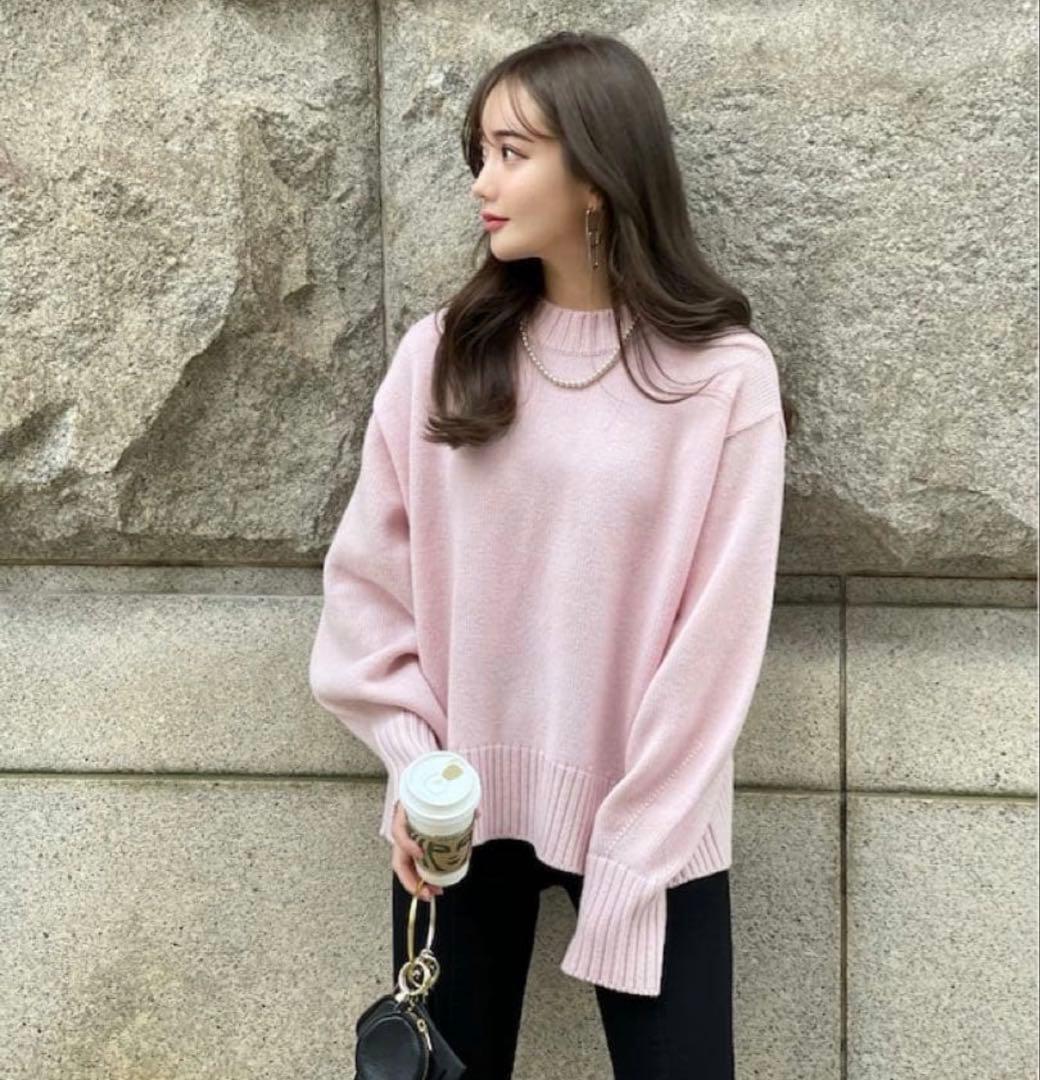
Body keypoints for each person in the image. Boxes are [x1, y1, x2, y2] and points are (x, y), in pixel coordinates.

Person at [309, 29, 793, 1080]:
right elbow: (367, 591)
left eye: (512, 153)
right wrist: (413, 772)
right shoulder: (441, 354)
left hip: (652, 821)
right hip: (454, 814)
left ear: (598, 174)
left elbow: (716, 642)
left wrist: (634, 849)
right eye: (479, 153)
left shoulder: (721, 376)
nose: (482, 183)